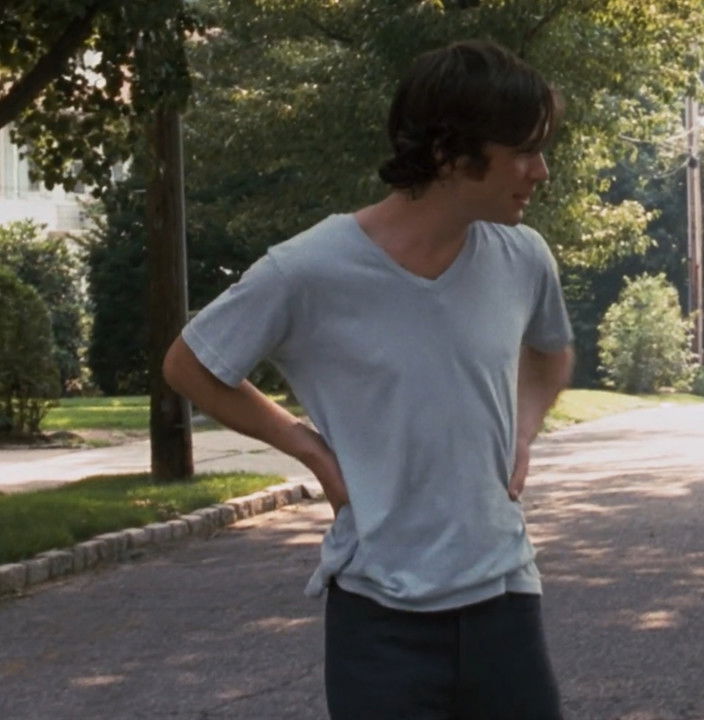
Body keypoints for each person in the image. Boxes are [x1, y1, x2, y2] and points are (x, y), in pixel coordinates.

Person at [163, 40, 574, 720]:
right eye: (524, 150)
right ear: (450, 153)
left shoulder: (523, 256)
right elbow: (190, 364)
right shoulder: (309, 269)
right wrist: (311, 450)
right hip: (379, 620)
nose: (541, 170)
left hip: (505, 600)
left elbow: (551, 353)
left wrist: (523, 431)